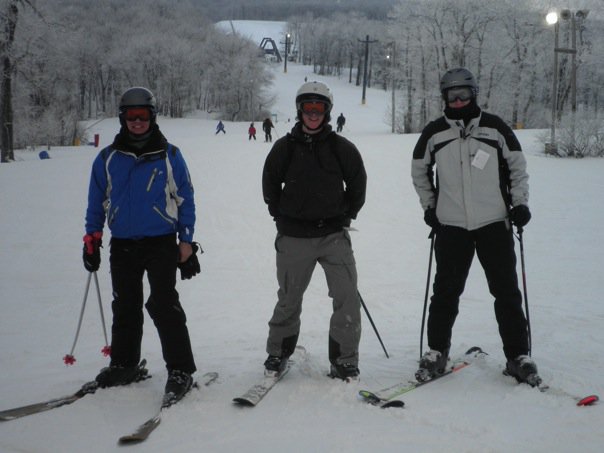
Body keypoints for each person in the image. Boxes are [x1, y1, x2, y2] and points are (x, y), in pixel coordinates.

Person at [411, 68, 540, 386]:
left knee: (506, 292)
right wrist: (430, 207)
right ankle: (437, 352)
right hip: (451, 226)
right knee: (444, 294)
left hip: (494, 223)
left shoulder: (495, 128)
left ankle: (518, 356)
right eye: (451, 96)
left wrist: (519, 203)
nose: (457, 101)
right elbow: (419, 170)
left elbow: (517, 167)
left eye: (463, 95)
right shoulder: (434, 133)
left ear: (473, 95)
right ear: (444, 98)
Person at [83, 87, 202, 404]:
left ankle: (181, 369)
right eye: (131, 116)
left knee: (163, 303)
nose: (137, 122)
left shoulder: (169, 155)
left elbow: (185, 198)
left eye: (143, 116)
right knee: (125, 304)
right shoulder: (107, 158)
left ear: (152, 117)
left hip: (160, 241)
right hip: (122, 243)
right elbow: (97, 201)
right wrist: (91, 237)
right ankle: (124, 363)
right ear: (123, 118)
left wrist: (186, 240)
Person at [262, 81, 367, 381]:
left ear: (327, 111)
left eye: (318, 108)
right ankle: (278, 352)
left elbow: (358, 183)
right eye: (307, 107)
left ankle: (345, 359)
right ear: (299, 110)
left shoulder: (341, 148)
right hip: (294, 238)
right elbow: (270, 182)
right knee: (289, 298)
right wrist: (279, 214)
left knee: (346, 297)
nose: (312, 114)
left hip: (333, 236)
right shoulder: (284, 147)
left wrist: (347, 214)